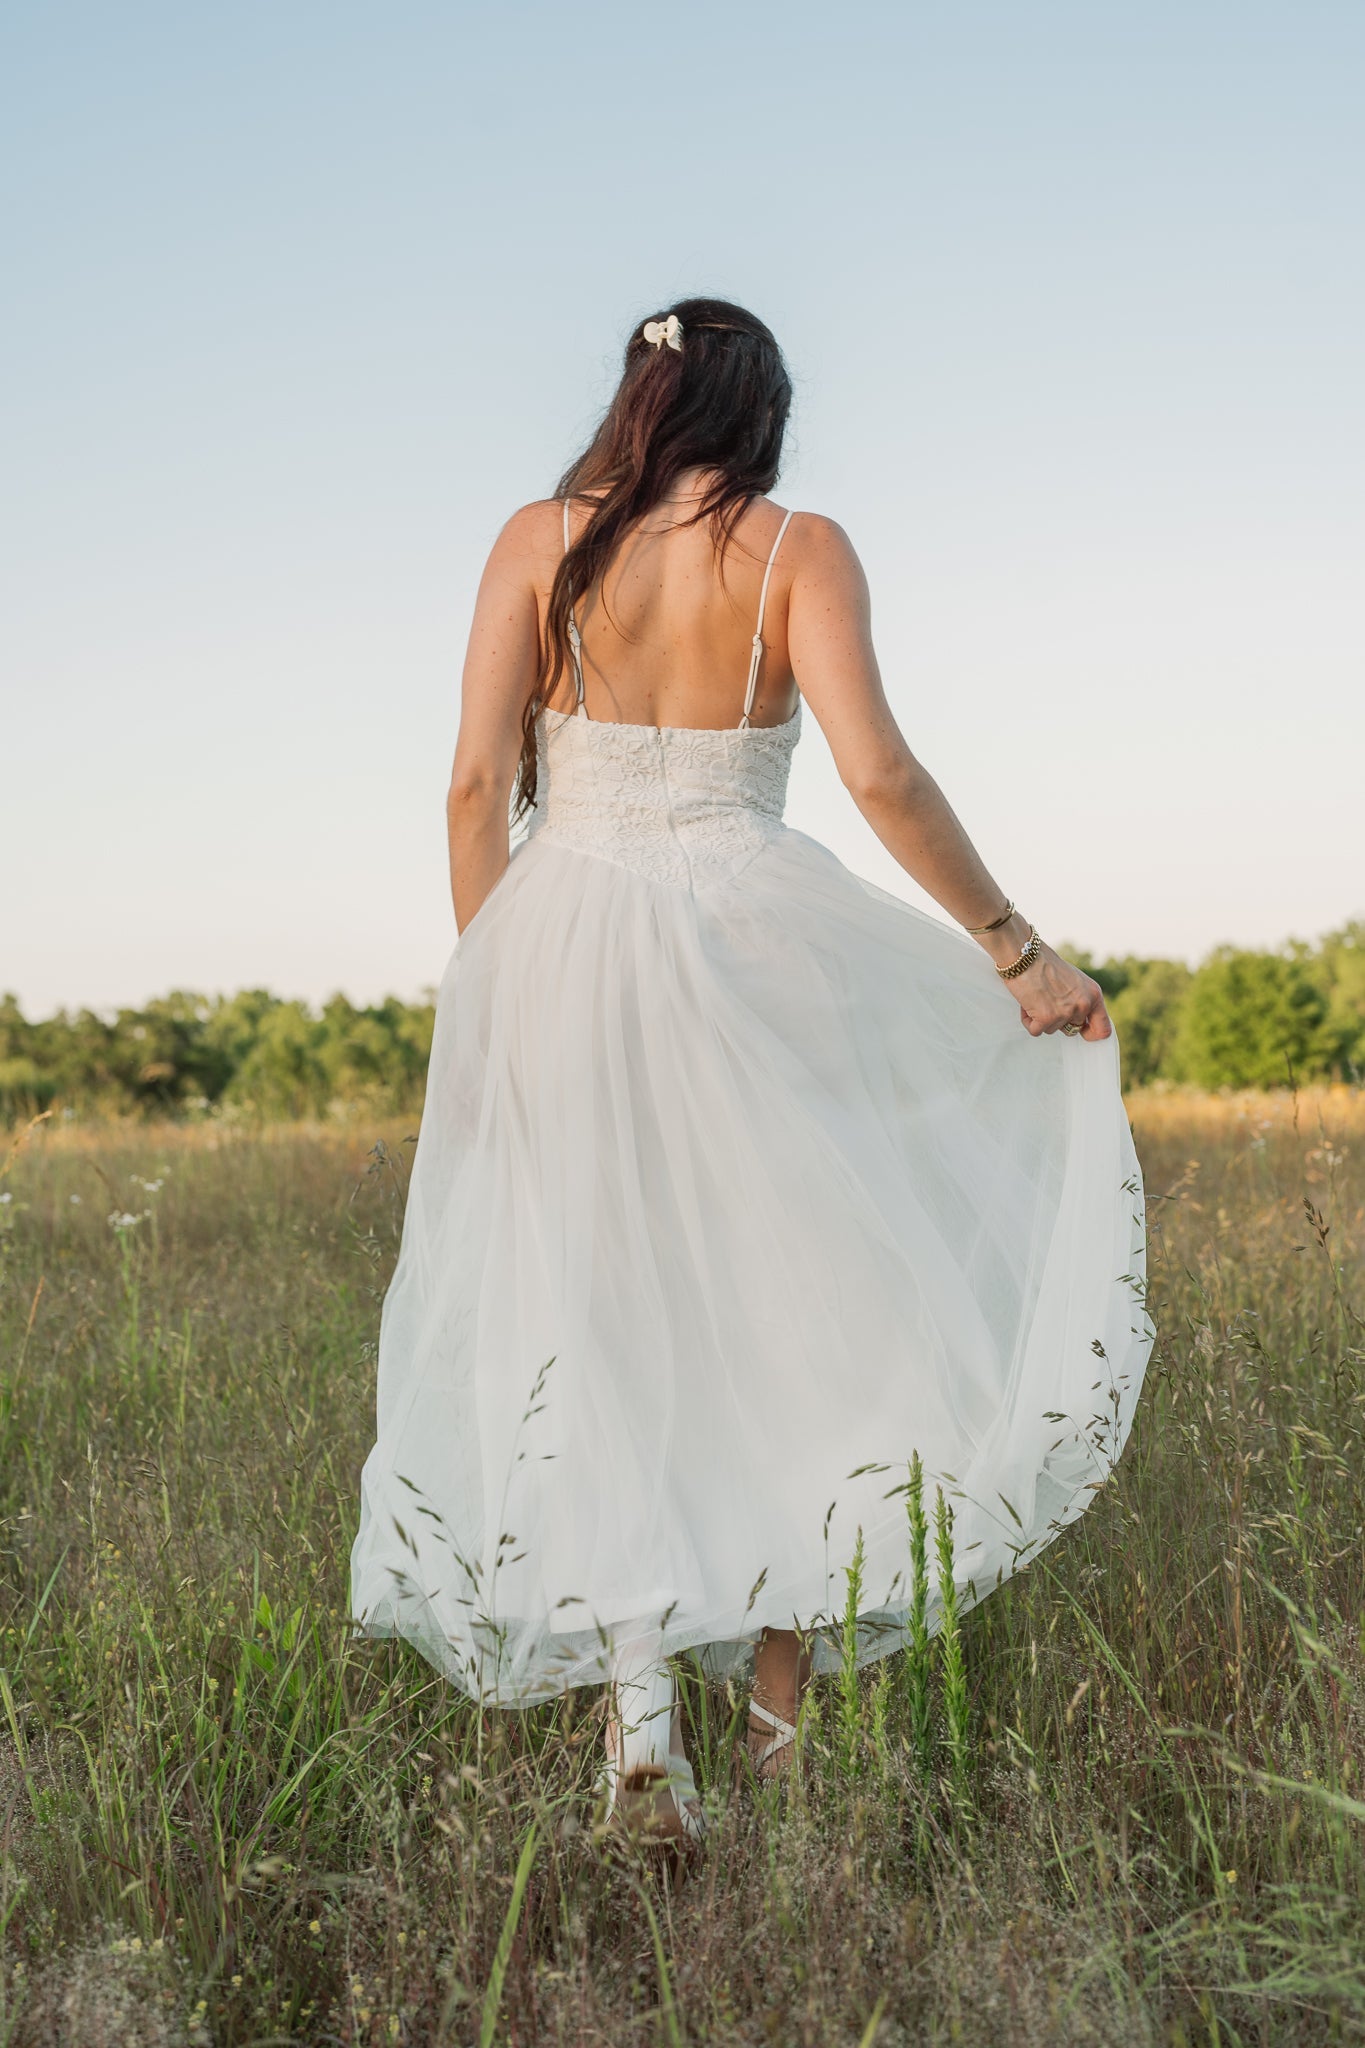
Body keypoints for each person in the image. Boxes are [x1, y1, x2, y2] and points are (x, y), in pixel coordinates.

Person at [350, 296, 1153, 1860]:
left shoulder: (538, 536)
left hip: (563, 952)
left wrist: (499, 980)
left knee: (597, 1328)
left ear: (636, 394)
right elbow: (878, 773)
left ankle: (641, 1727)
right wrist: (1013, 950)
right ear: (759, 409)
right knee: (792, 1329)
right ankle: (780, 1746)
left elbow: (467, 783)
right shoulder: (798, 549)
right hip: (752, 956)